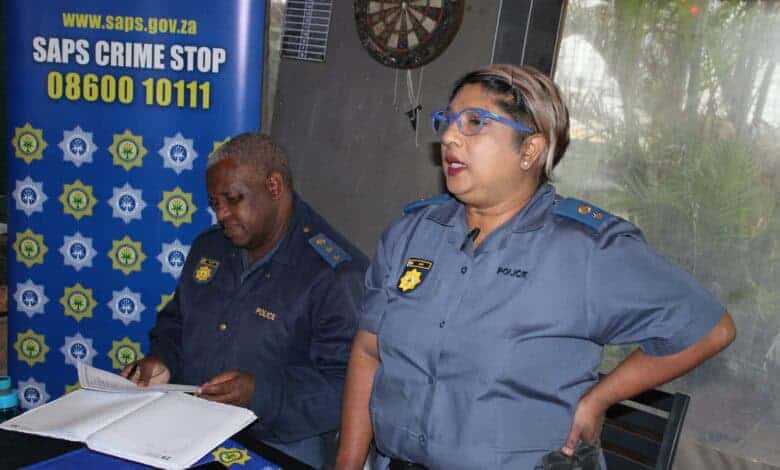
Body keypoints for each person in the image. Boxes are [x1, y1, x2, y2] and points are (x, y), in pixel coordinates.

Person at [335, 64, 737, 469]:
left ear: (529, 150)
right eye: (449, 120)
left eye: (475, 122)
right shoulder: (412, 234)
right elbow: (369, 351)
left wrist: (600, 397)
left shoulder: (585, 250)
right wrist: (348, 464)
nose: (450, 136)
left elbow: (708, 328)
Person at [122, 133, 369, 469]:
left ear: (274, 186)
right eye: (214, 204)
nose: (221, 214)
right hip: (191, 430)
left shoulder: (333, 274)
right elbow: (176, 323)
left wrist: (260, 394)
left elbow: (348, 385)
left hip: (280, 445)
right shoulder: (208, 249)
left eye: (233, 199)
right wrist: (163, 361)